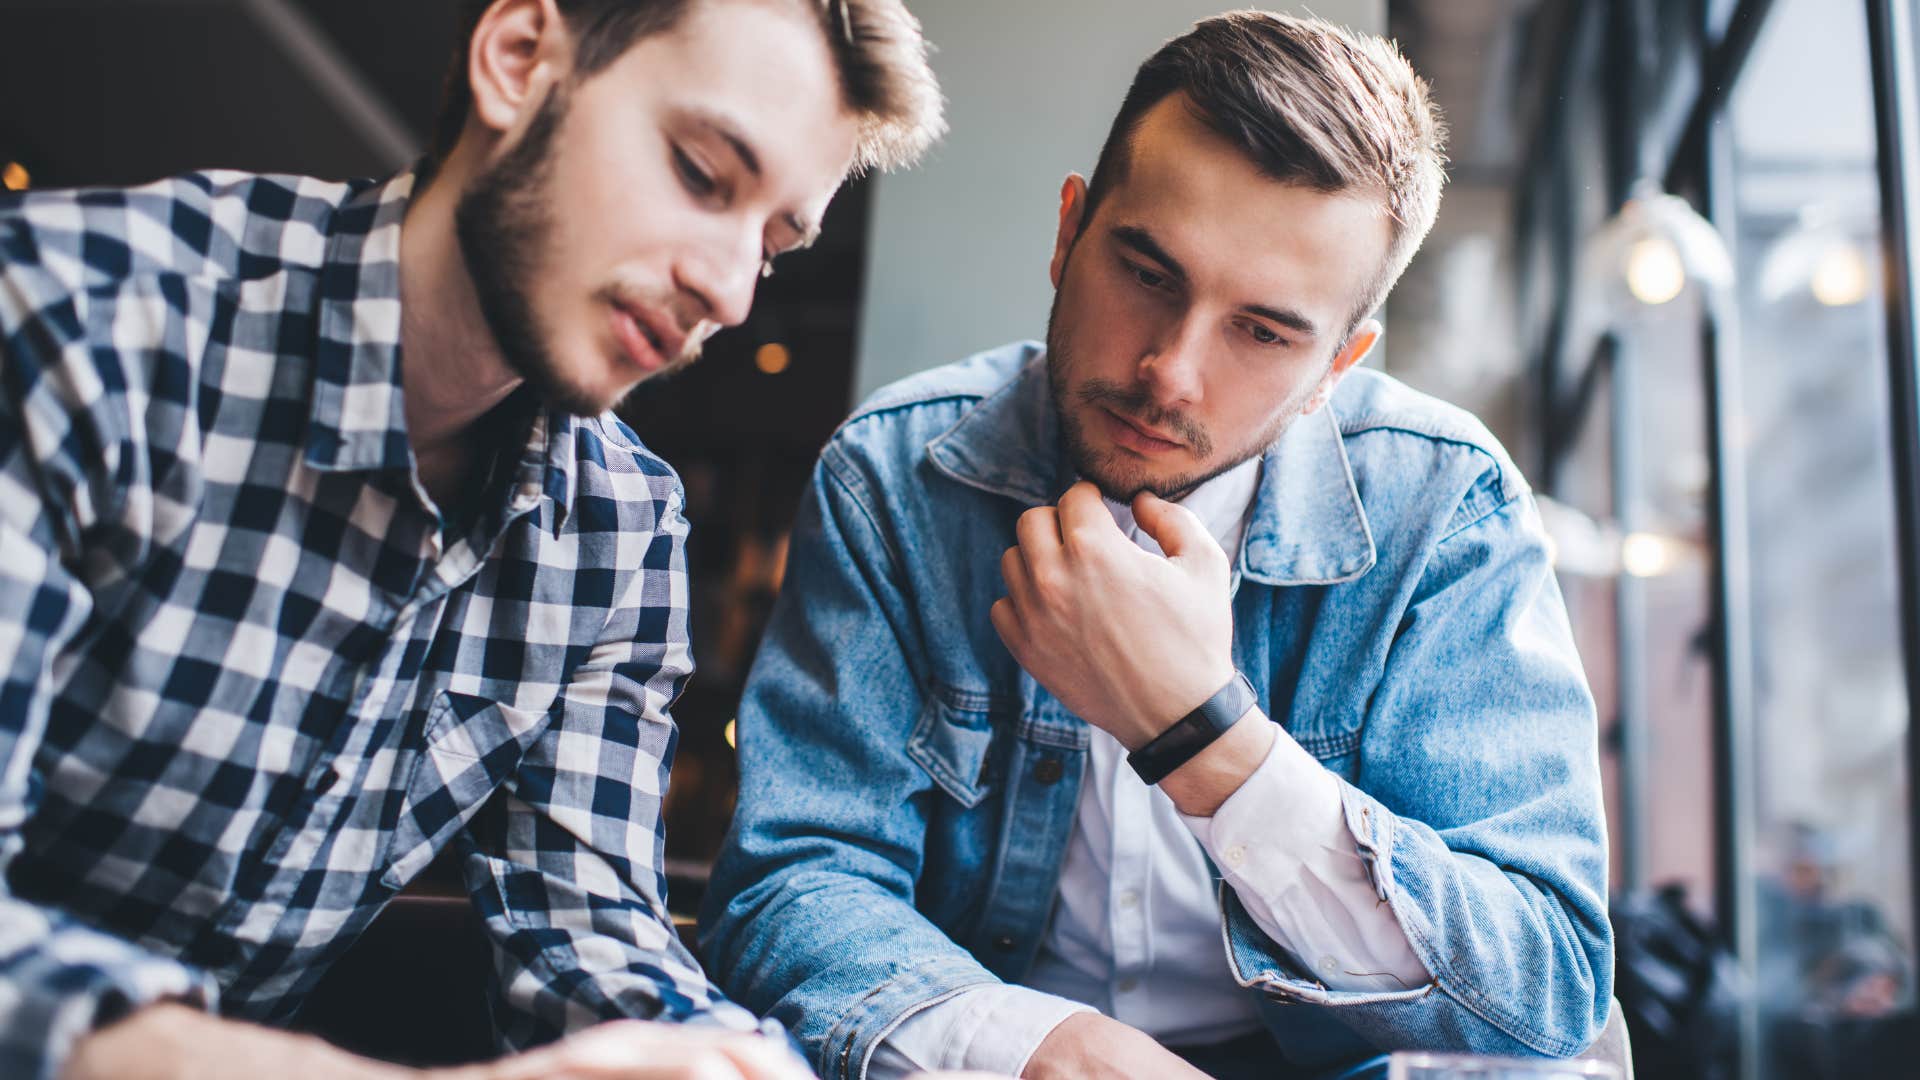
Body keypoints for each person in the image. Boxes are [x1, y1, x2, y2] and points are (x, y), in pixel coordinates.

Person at [0, 1, 941, 1078]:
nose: (727, 292)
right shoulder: (79, 323)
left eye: (771, 246)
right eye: (698, 172)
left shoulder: (620, 530)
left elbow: (586, 927)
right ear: (517, 59)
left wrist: (707, 1058)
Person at [700, 11, 1612, 1079]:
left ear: (1338, 364)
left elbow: (1541, 992)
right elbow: (793, 883)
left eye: (1263, 331)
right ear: (1069, 233)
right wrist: (1046, 1050)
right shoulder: (897, 476)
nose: (1170, 372)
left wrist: (1203, 737)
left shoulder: (1444, 507)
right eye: (1146, 272)